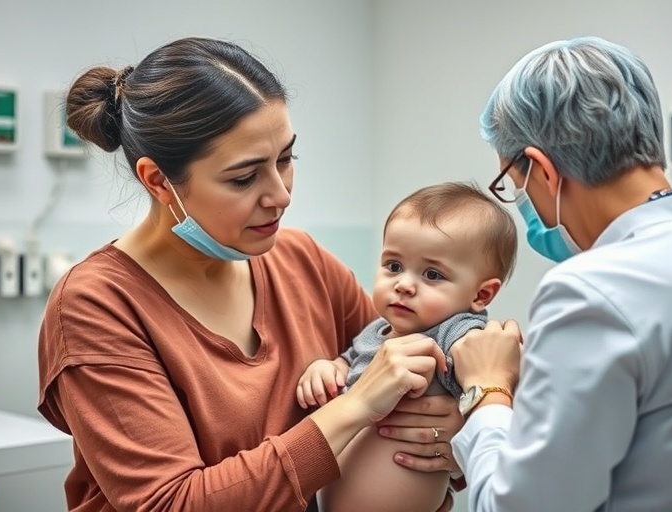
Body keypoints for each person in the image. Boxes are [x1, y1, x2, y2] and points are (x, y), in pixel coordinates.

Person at [36, 36, 481, 512]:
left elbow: (407, 389)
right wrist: (353, 408)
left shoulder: (301, 260)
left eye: (285, 159)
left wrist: (448, 436)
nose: (281, 194)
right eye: (244, 178)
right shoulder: (96, 305)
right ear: (158, 180)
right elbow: (171, 504)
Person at [448, 36, 672, 511]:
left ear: (541, 169)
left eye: (515, 185)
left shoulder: (590, 291)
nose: (527, 208)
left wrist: (488, 392)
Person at [296, 182, 518, 512]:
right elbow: (350, 361)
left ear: (481, 295)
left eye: (432, 274)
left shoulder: (454, 333)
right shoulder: (378, 330)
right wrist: (328, 369)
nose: (403, 284)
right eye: (394, 266)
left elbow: (494, 367)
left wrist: (469, 417)